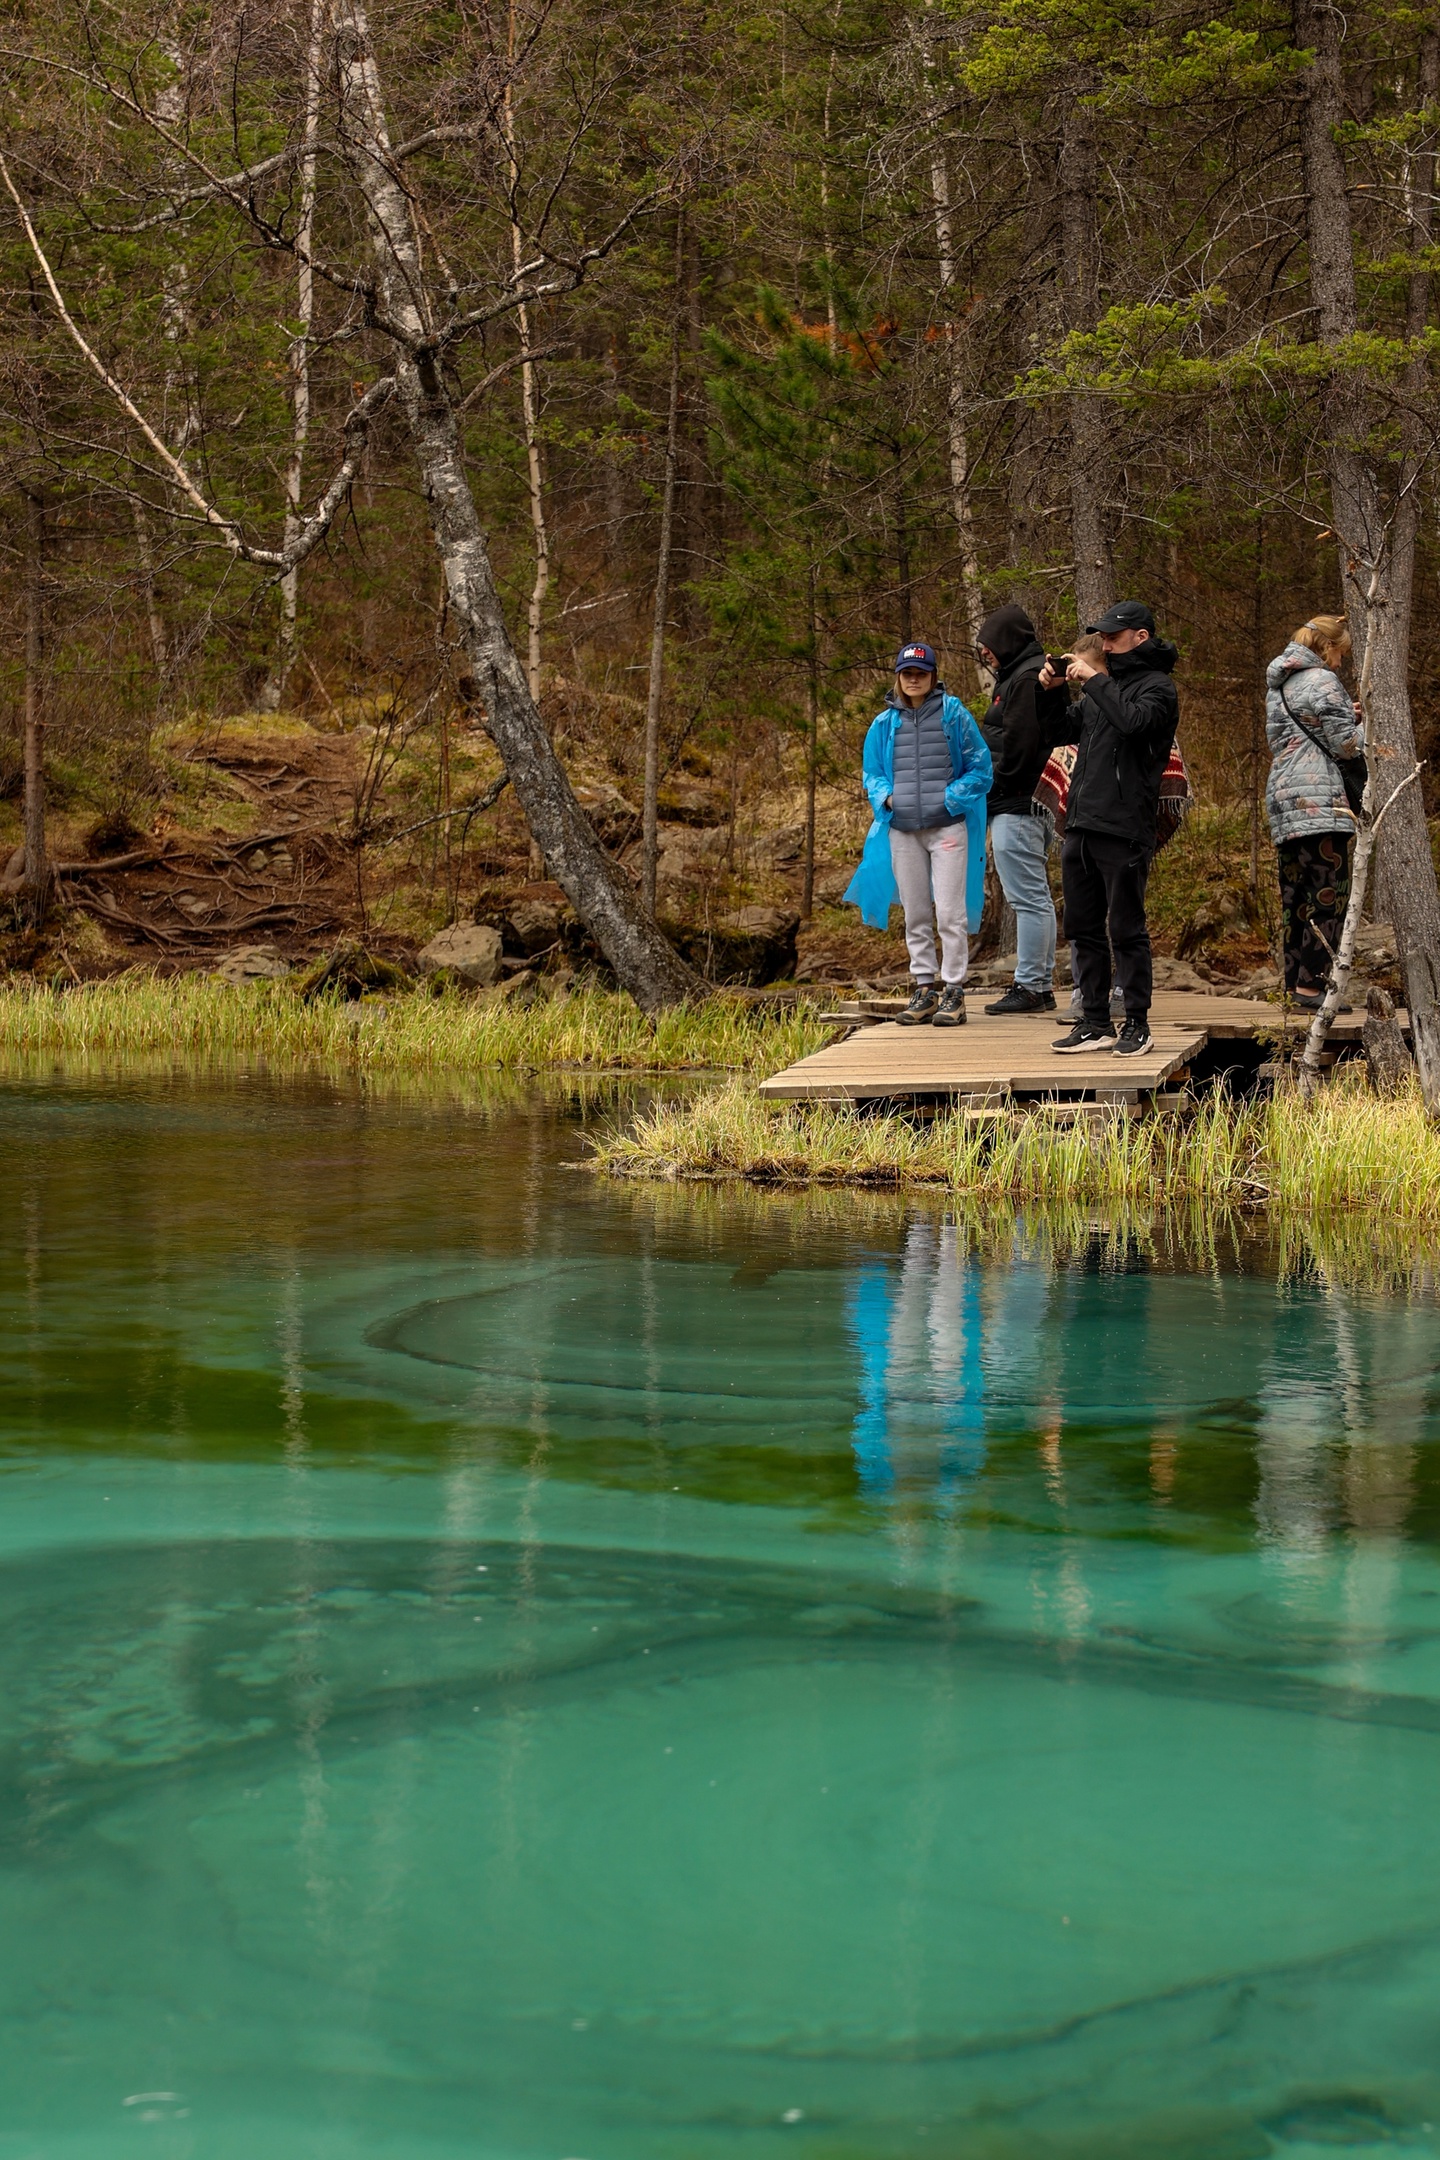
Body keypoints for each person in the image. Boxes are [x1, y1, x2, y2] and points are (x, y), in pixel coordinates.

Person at [1040, 600, 1180, 1056]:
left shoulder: (1158, 688)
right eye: (1101, 637)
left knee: (1126, 928)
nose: (1104, 643)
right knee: (1081, 927)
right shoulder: (1104, 691)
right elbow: (1057, 730)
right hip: (1081, 823)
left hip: (1125, 827)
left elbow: (1134, 722)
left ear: (1140, 637)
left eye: (1113, 636)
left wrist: (1095, 680)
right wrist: (1053, 690)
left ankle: (1136, 1023)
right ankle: (1095, 1022)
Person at [849, 640, 992, 1026]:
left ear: (932, 676)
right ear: (898, 676)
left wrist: (950, 799)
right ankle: (924, 988)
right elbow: (872, 773)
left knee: (949, 913)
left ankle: (954, 992)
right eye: (907, 673)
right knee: (915, 913)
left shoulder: (954, 714)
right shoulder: (883, 724)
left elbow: (981, 768)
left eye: (921, 673)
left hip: (946, 829)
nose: (914, 679)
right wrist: (888, 798)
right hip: (903, 831)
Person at [973, 604, 1068, 1014]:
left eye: (988, 645)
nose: (985, 654)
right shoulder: (1020, 674)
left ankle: (1031, 986)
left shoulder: (1027, 677)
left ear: (1006, 640)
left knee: (1028, 898)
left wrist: (993, 794)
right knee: (1034, 897)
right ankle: (1039, 986)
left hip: (1020, 803)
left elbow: (1023, 748)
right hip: (1020, 801)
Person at [1264, 616, 1363, 1010]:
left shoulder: (1279, 685)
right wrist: (1363, 726)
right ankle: (1313, 987)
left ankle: (1295, 984)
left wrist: (1343, 715)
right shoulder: (1323, 681)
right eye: (1340, 654)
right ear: (1327, 647)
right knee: (1330, 895)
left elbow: (1291, 736)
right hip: (1321, 803)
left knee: (1296, 898)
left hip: (1284, 799)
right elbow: (1345, 747)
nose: (1339, 664)